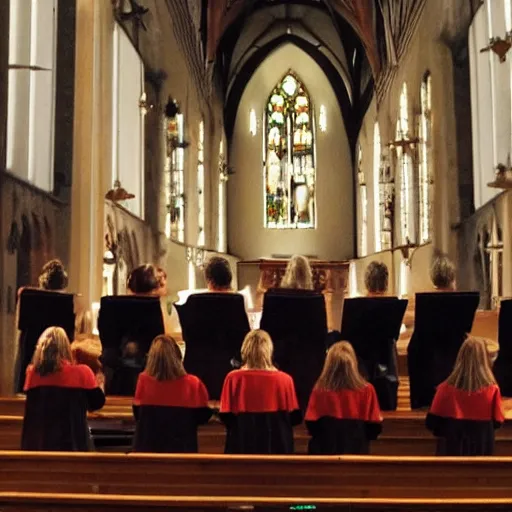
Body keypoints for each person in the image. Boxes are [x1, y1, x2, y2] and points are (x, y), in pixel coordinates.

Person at [21, 326, 105, 451]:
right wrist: (100, 383)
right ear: (66, 348)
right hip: (73, 446)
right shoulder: (82, 372)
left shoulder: (32, 373)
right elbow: (97, 403)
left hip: (38, 445)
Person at [219, 330, 301, 454]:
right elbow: (294, 418)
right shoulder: (285, 380)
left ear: (245, 350)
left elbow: (226, 416)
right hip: (277, 448)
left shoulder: (233, 378)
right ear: (269, 351)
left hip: (242, 446)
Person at [133, 335, 212, 452]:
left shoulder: (143, 380)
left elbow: (137, 414)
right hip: (183, 454)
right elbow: (203, 416)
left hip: (148, 454)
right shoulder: (193, 383)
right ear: (178, 357)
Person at [426, 336, 504, 455]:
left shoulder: (444, 389)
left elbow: (432, 423)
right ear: (484, 359)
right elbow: (498, 422)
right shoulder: (492, 390)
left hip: (450, 454)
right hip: (481, 451)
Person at [305, 341, 382, 454]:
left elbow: (312, 425)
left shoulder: (320, 390)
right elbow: (374, 428)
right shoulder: (367, 390)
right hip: (357, 451)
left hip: (325, 451)